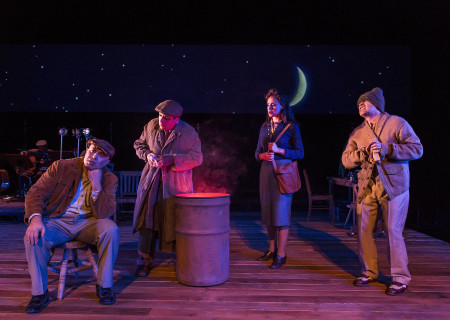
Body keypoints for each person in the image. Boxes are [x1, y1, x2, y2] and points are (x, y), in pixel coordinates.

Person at [342, 87, 423, 296]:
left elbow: (417, 148)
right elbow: (345, 159)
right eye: (358, 102)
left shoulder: (396, 123)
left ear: (376, 104)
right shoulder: (358, 132)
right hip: (367, 185)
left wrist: (388, 149)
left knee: (393, 230)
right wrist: (362, 154)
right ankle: (369, 271)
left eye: (365, 101)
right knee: (363, 229)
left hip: (394, 185)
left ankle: (400, 277)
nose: (360, 104)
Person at [23, 138, 120, 313]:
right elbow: (35, 193)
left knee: (111, 229)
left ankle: (104, 286)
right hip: (58, 220)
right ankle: (39, 293)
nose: (93, 157)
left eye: (100, 156)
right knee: (34, 236)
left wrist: (97, 185)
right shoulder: (62, 167)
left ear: (107, 161)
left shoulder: (109, 179)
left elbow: (106, 213)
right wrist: (35, 219)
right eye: (91, 151)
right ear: (86, 149)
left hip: (89, 222)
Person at [133, 99, 203, 277]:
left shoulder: (188, 132)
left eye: (166, 118)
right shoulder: (151, 126)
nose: (161, 121)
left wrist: (172, 159)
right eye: (160, 116)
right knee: (147, 222)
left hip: (175, 186)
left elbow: (197, 158)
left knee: (176, 222)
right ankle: (144, 261)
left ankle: (181, 261)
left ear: (177, 119)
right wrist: (148, 155)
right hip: (152, 183)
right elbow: (138, 145)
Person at [254, 88, 304, 269]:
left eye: (273, 104)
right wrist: (262, 156)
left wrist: (280, 151)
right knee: (268, 213)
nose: (270, 108)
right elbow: (256, 152)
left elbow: (300, 153)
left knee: (281, 214)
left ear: (282, 106)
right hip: (266, 173)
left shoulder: (291, 127)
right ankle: (271, 249)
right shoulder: (264, 127)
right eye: (268, 105)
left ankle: (281, 254)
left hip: (283, 174)